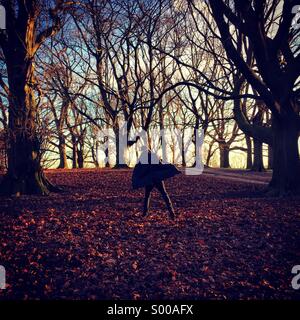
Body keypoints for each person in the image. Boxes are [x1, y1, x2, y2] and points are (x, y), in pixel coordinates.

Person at [132, 146, 181, 220]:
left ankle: (145, 214)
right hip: (157, 178)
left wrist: (137, 179)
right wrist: (170, 166)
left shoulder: (142, 159)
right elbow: (160, 165)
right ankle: (172, 214)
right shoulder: (153, 156)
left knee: (147, 196)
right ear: (148, 150)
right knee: (164, 194)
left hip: (149, 180)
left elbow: (138, 170)